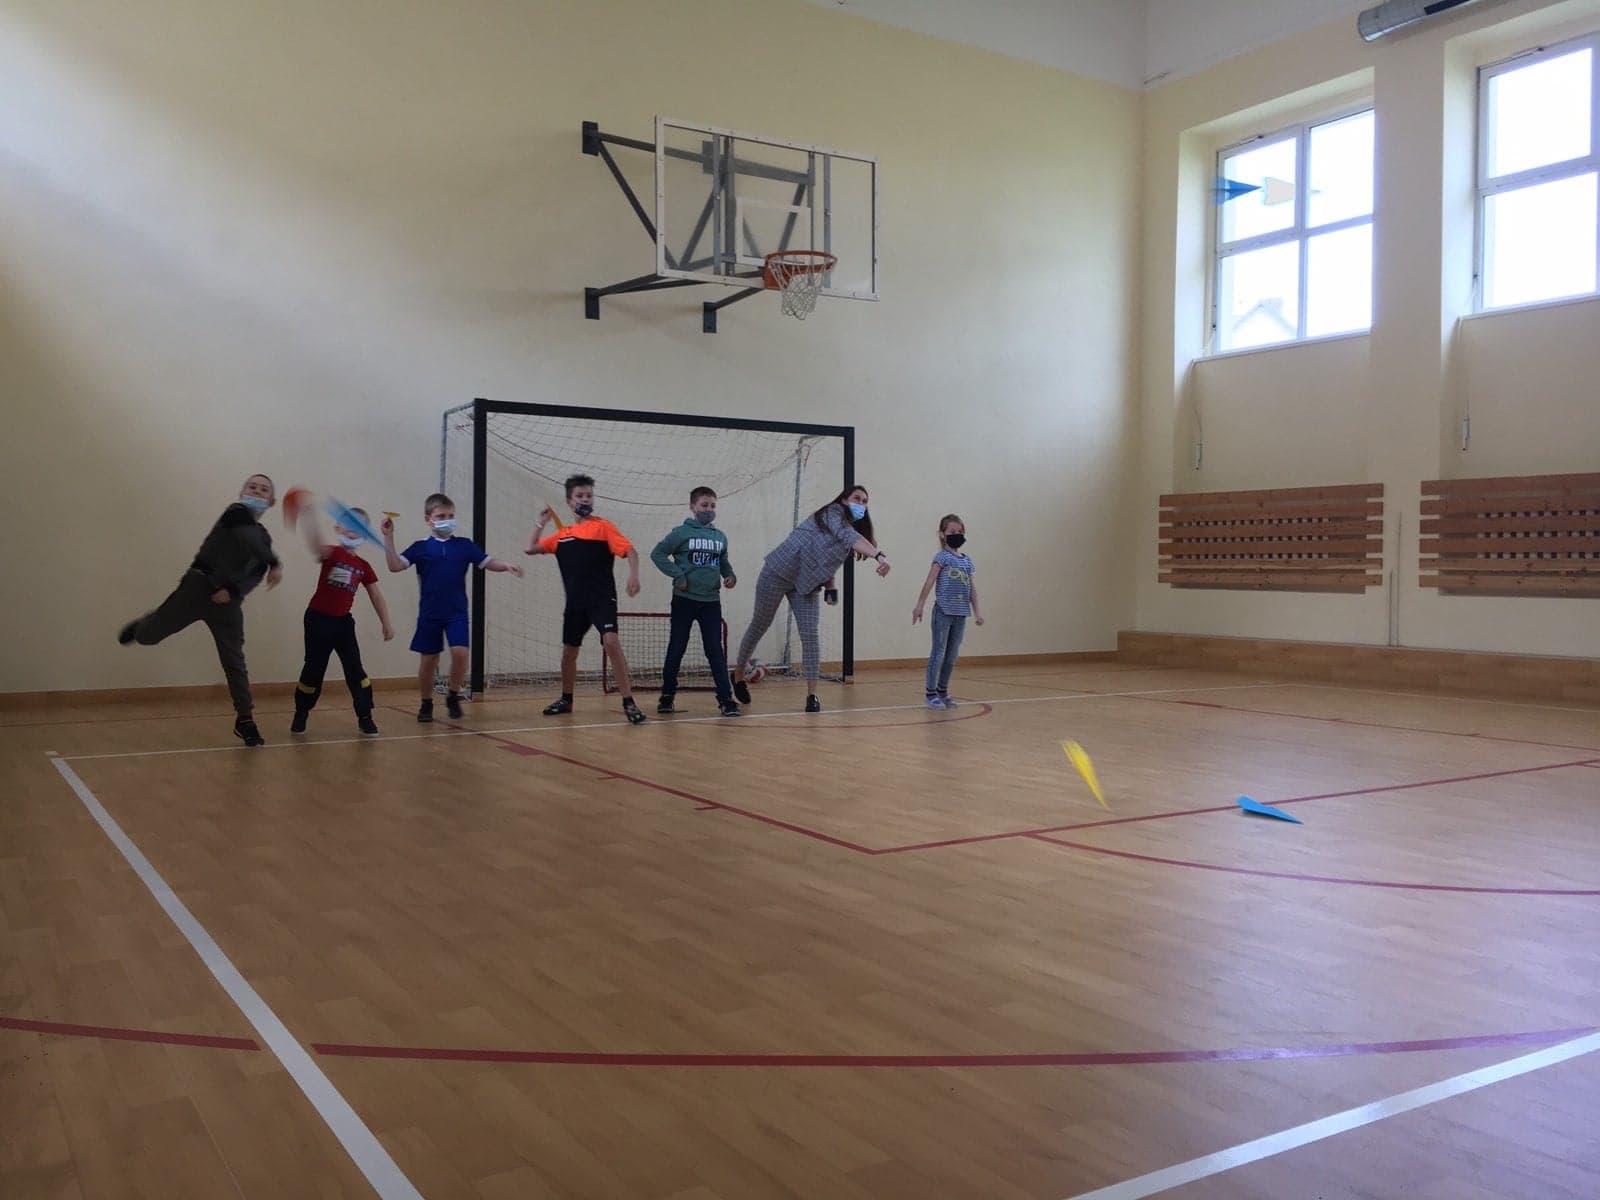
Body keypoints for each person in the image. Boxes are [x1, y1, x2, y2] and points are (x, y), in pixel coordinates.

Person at [118, 473, 283, 747]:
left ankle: (245, 719)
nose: (256, 491)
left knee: (234, 661)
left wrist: (233, 592)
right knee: (149, 637)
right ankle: (143, 626)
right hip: (196, 589)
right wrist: (276, 562)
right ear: (242, 492)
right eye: (252, 486)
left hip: (227, 603)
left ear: (271, 501)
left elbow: (256, 572)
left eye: (263, 489)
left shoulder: (264, 538)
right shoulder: (235, 513)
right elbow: (248, 538)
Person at [730, 485, 889, 714]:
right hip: (778, 571)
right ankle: (738, 675)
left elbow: (827, 561)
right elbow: (847, 535)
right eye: (857, 498)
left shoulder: (848, 535)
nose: (861, 504)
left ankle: (812, 695)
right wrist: (878, 555)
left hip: (805, 585)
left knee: (810, 636)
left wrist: (831, 587)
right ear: (844, 500)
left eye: (865, 501)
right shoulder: (831, 513)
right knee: (760, 625)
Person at [381, 492, 523, 723]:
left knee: (461, 654)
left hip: (456, 613)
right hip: (430, 615)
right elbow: (395, 566)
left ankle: (453, 695)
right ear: (428, 519)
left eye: (450, 516)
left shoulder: (464, 546)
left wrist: (506, 564)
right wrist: (389, 538)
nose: (446, 520)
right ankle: (426, 702)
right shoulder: (420, 548)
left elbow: (488, 562)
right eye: (441, 516)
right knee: (429, 661)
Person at [524, 474, 648, 725]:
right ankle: (566, 699)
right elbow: (530, 548)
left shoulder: (603, 527)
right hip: (575, 603)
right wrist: (539, 523)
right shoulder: (562, 536)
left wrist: (633, 575)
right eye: (579, 496)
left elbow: (630, 551)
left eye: (589, 495)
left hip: (601, 599)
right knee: (569, 652)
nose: (585, 499)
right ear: (569, 502)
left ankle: (628, 702)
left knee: (611, 641)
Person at [290, 501, 394, 736]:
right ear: (338, 528)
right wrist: (309, 516)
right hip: (318, 620)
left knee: (355, 669)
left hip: (343, 624)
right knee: (314, 669)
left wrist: (386, 623)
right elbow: (315, 543)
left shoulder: (364, 566)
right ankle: (301, 711)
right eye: (348, 524)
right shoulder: (332, 553)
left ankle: (365, 716)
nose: (353, 529)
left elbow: (376, 596)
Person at [650, 486, 739, 717]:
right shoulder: (681, 533)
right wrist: (678, 575)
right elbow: (658, 554)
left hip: (711, 601)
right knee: (677, 647)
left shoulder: (720, 537)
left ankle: (726, 699)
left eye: (712, 506)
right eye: (704, 505)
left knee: (715, 650)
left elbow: (723, 563)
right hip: (684, 600)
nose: (708, 510)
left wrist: (730, 576)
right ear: (693, 507)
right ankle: (667, 696)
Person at [911, 513, 983, 709]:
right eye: (952, 532)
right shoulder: (942, 557)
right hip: (943, 613)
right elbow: (930, 581)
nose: (956, 535)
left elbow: (972, 589)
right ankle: (930, 693)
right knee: (939, 653)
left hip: (961, 615)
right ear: (943, 534)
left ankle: (942, 690)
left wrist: (977, 612)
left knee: (951, 656)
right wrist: (920, 605)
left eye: (960, 531)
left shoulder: (967, 561)